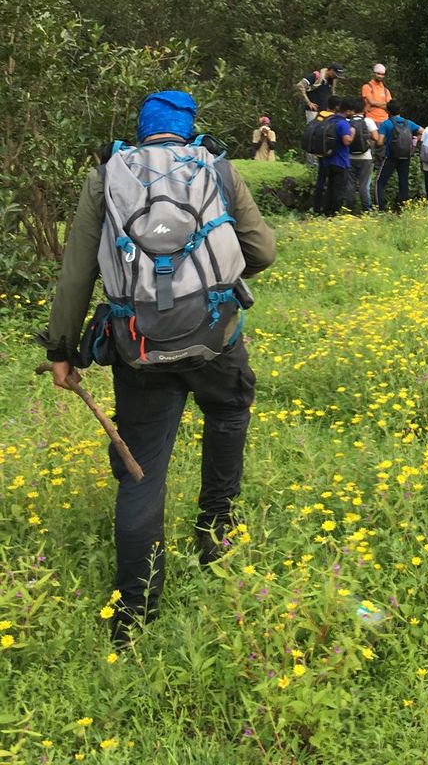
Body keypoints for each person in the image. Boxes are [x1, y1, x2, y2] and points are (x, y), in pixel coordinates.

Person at [42, 90, 276, 643]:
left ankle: (135, 615)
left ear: (142, 129)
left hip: (137, 347)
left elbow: (76, 273)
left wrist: (61, 351)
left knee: (141, 469)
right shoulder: (217, 167)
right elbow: (262, 251)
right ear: (188, 126)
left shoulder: (107, 175)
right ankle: (216, 529)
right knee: (227, 412)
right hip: (215, 338)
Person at [376, 102, 422, 212]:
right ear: (400, 110)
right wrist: (414, 141)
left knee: (380, 182)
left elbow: (379, 142)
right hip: (405, 157)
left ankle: (381, 208)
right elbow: (423, 131)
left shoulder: (386, 124)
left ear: (387, 111)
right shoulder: (409, 123)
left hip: (391, 157)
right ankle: (401, 209)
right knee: (403, 182)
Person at [344, 97, 383, 214]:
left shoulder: (347, 122)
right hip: (365, 157)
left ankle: (350, 209)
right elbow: (376, 138)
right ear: (364, 109)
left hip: (349, 157)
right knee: (364, 185)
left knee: (350, 184)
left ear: (352, 110)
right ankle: (366, 209)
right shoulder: (368, 121)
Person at [318, 97, 355, 217]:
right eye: (352, 111)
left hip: (328, 159)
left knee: (329, 187)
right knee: (338, 189)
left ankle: (326, 211)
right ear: (348, 111)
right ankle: (334, 214)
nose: (353, 114)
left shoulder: (330, 120)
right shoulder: (343, 124)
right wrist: (352, 133)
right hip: (341, 161)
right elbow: (346, 141)